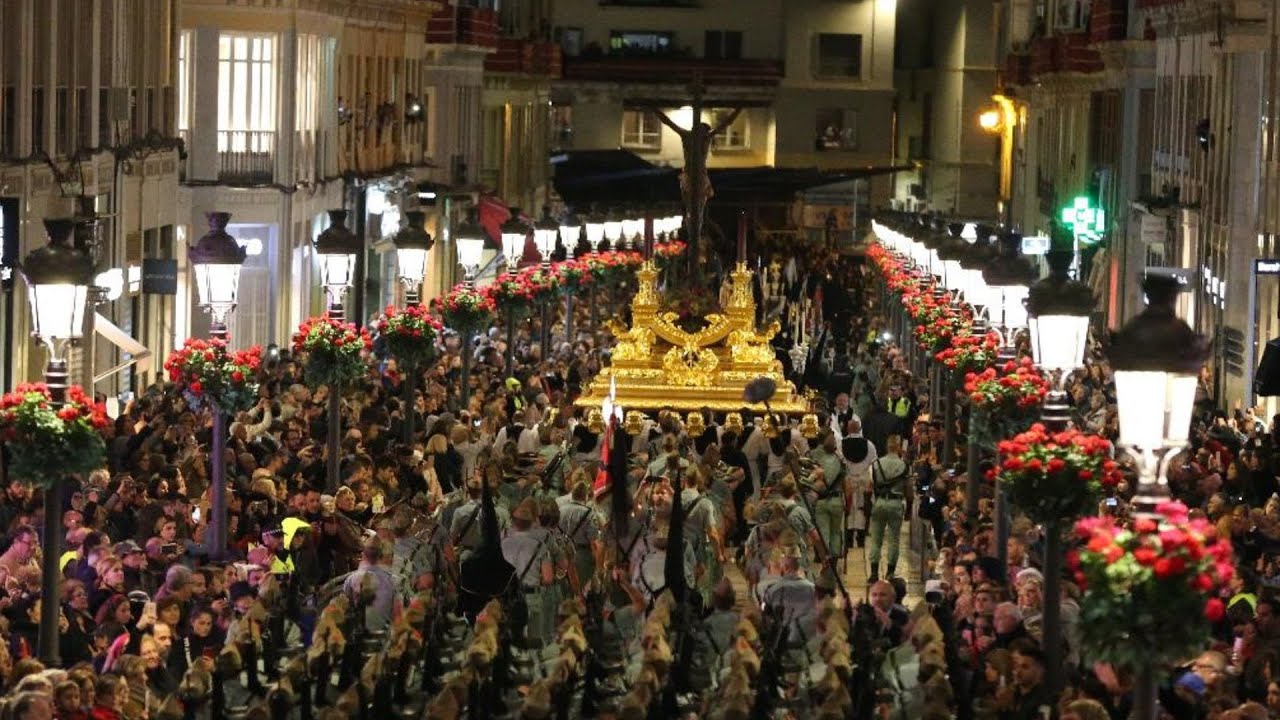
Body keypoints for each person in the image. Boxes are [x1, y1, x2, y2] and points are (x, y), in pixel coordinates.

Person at [867, 435, 909, 582]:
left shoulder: (876, 463)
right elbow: (907, 488)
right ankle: (890, 573)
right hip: (895, 503)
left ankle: (873, 573)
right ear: (898, 447)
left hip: (879, 502)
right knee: (894, 540)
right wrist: (908, 508)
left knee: (876, 540)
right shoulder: (904, 465)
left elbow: (870, 486)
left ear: (887, 446)